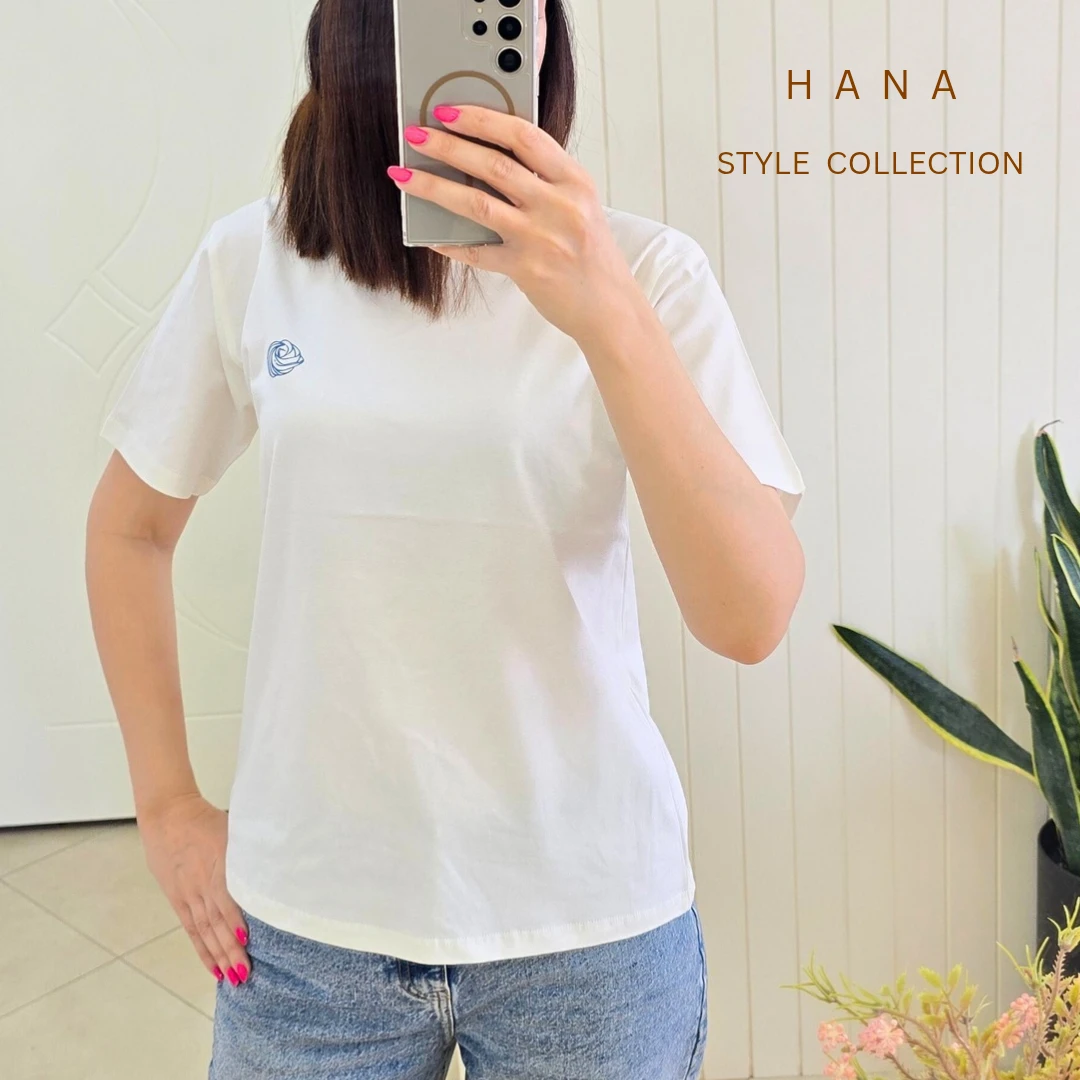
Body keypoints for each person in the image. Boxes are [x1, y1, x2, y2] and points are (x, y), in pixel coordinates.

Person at [85, 0, 806, 1076]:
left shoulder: (649, 274)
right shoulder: (256, 260)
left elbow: (750, 616)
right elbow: (130, 529)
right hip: (311, 929)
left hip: (588, 930)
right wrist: (166, 809)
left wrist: (603, 309)